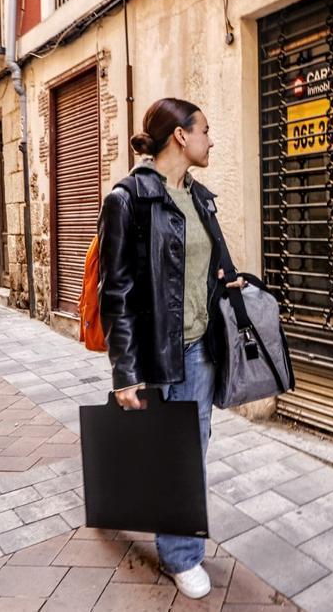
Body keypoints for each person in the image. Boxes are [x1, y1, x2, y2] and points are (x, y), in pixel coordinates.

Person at [98, 98, 243, 600]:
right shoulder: (129, 199)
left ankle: (170, 532)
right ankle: (181, 556)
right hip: (158, 353)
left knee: (191, 451)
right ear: (181, 136)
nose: (210, 139)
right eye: (205, 129)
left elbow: (207, 267)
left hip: (201, 349)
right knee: (172, 455)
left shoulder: (200, 198)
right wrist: (125, 373)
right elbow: (115, 291)